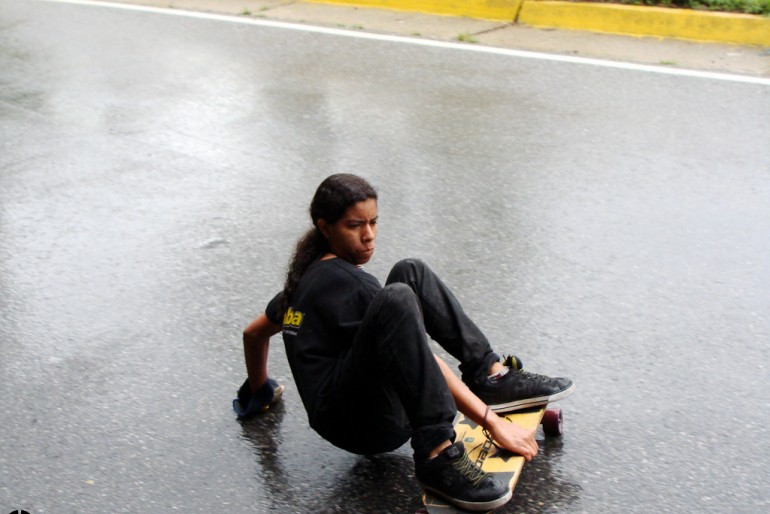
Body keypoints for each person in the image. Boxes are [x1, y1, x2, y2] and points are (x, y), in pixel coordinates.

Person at [234, 174, 575, 511]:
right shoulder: (350, 285)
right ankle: (437, 453)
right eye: (355, 226)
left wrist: (259, 391)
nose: (369, 236)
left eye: (373, 222)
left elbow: (253, 334)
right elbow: (427, 362)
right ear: (325, 228)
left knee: (409, 272)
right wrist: (493, 423)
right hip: (364, 427)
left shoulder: (303, 281)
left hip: (340, 416)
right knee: (397, 297)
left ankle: (491, 375)